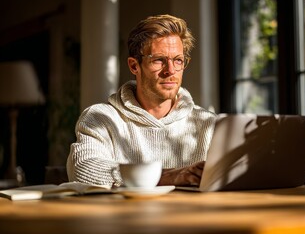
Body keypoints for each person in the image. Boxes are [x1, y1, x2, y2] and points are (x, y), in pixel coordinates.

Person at [67, 14, 217, 188]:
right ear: (134, 66)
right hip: (126, 215)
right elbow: (83, 170)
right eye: (159, 60)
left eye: (178, 60)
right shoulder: (100, 118)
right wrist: (169, 176)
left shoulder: (208, 123)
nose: (170, 70)